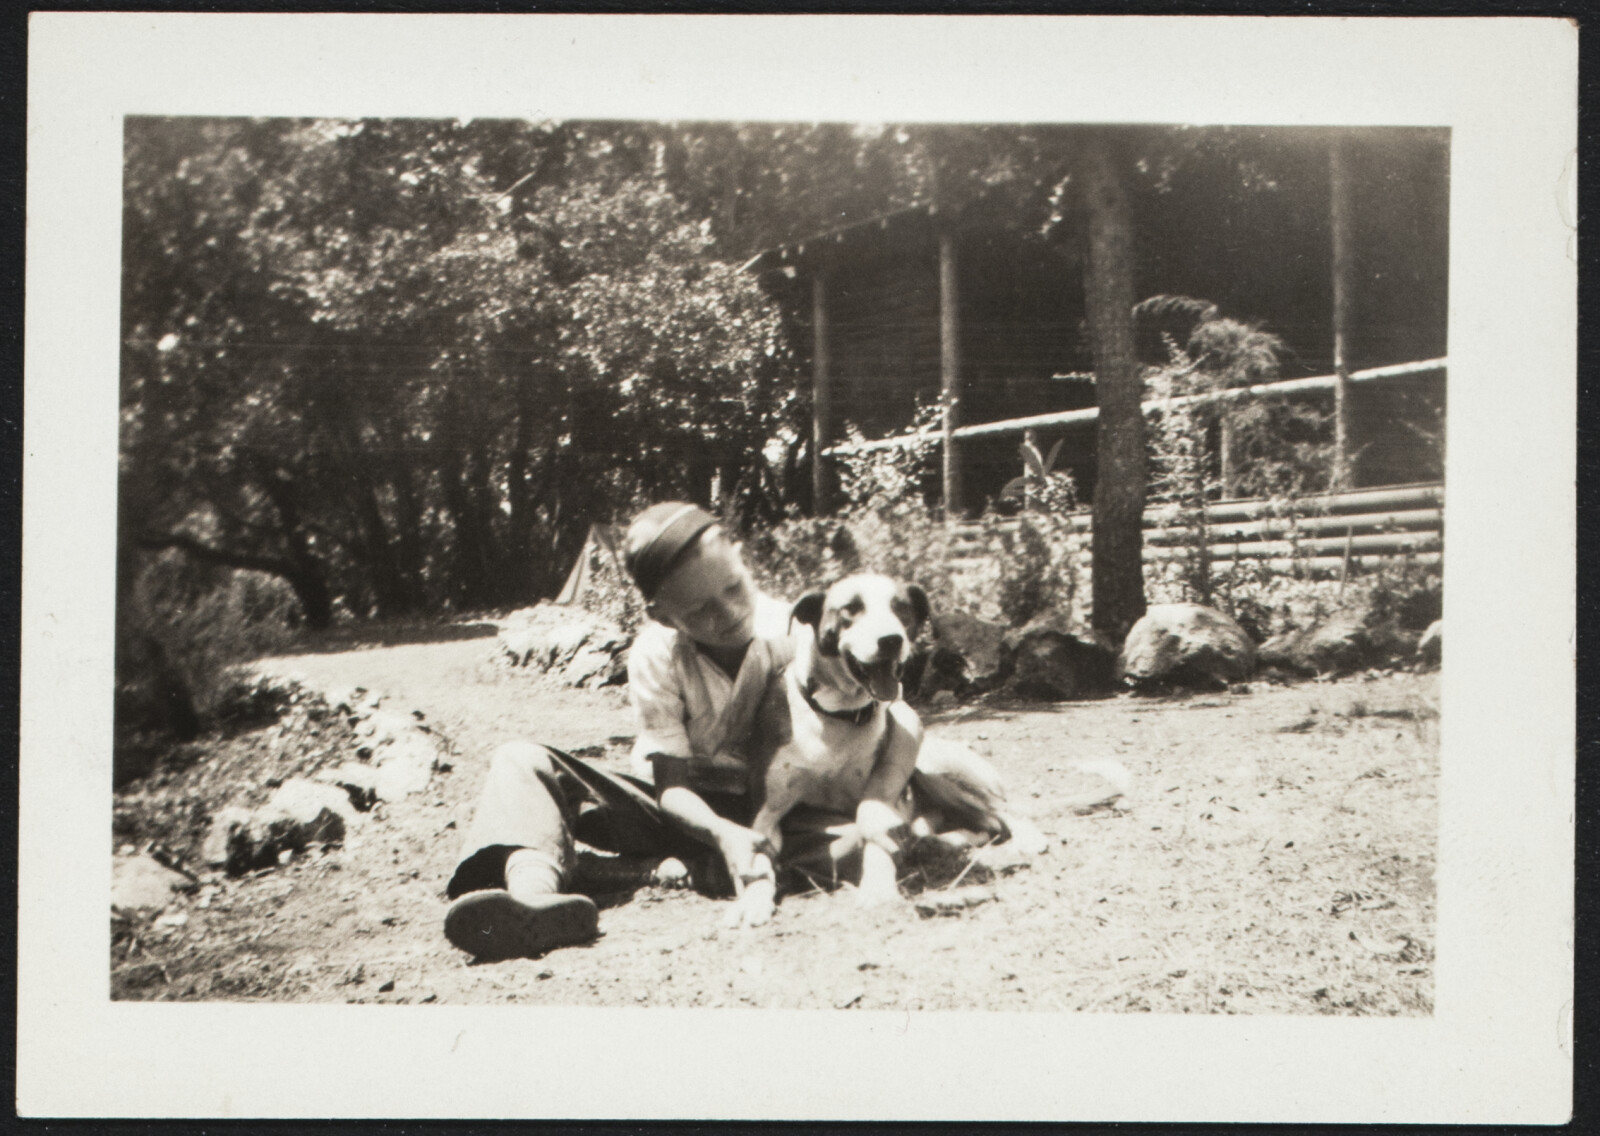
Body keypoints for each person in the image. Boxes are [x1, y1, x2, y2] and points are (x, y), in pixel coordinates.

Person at [442, 502, 1011, 961]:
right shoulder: (656, 655)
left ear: (742, 561)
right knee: (521, 760)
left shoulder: (801, 631)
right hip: (683, 806)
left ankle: (635, 871)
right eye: (701, 609)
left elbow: (892, 716)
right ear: (663, 616)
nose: (729, 613)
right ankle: (535, 897)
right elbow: (669, 786)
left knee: (850, 844)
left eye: (735, 589)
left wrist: (877, 798)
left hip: (780, 813)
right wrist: (720, 832)